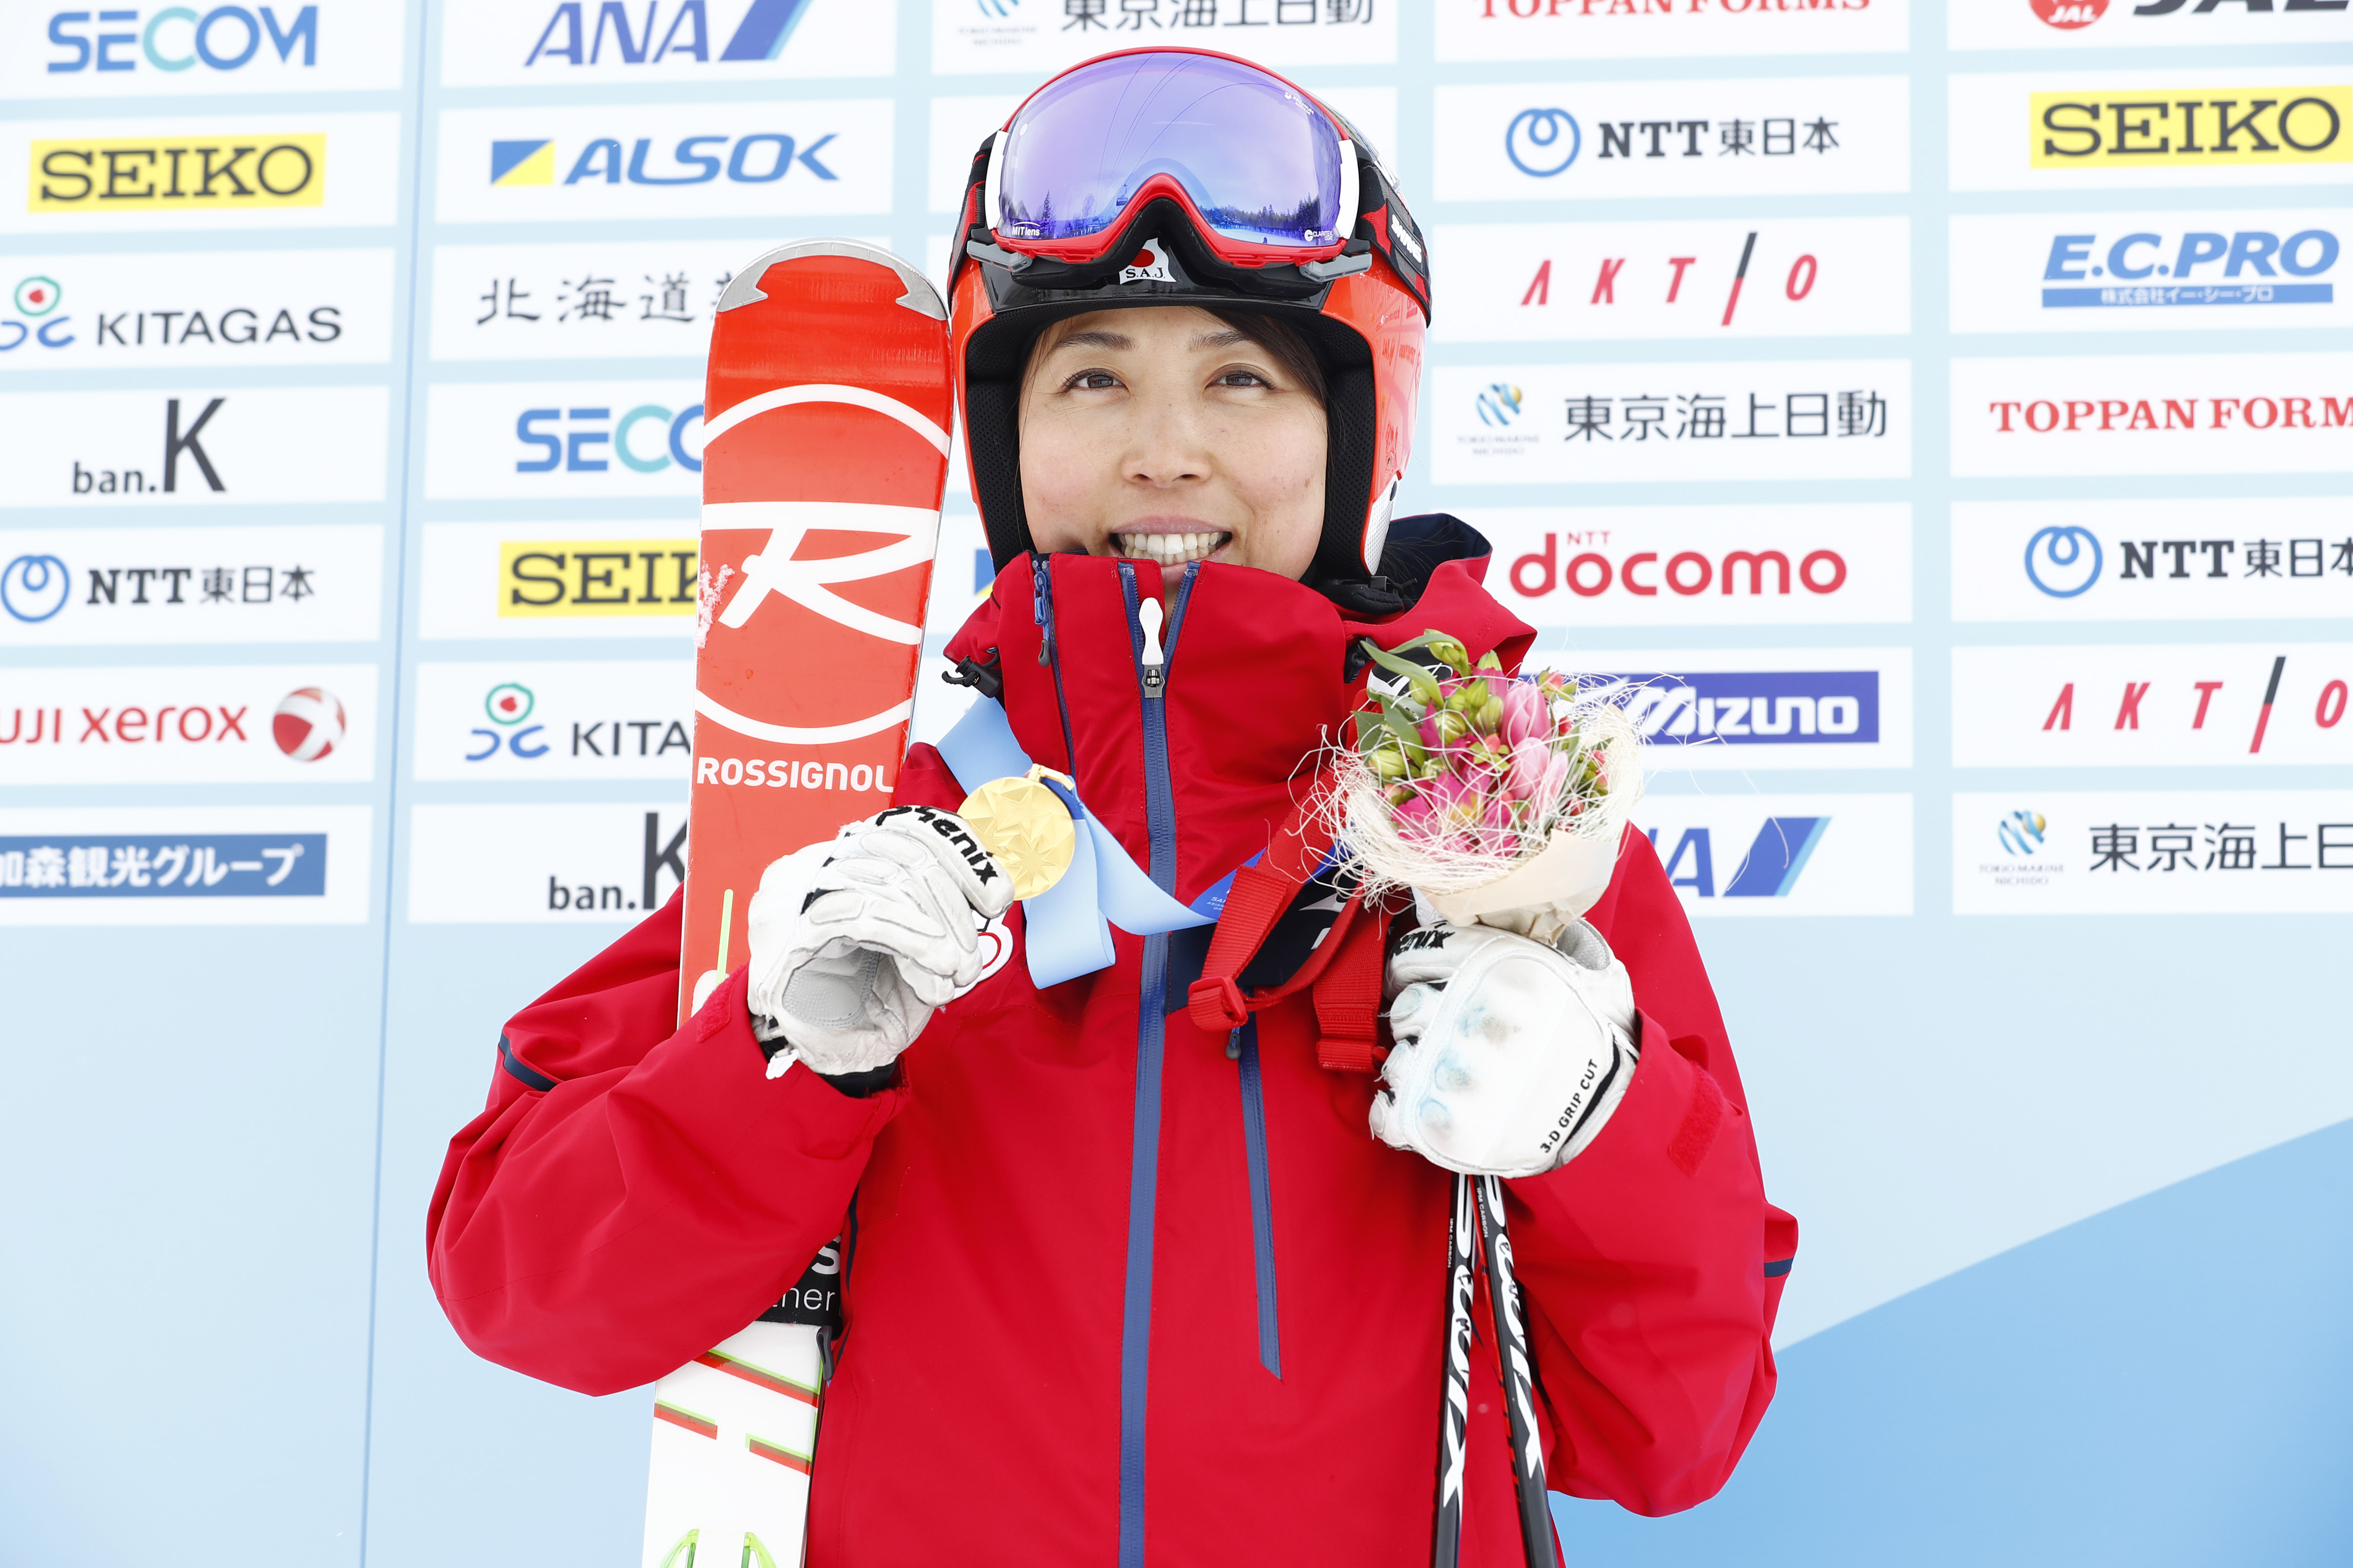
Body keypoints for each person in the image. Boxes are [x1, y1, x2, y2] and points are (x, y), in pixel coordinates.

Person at [429, 48, 1796, 1566]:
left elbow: (1675, 1433)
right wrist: (776, 1061)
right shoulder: (881, 839)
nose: (1166, 447)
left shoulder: (1495, 853)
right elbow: (523, 1285)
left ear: (1357, 427)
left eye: (1238, 375)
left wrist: (1597, 1126)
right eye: (1092, 376)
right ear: (1004, 433)